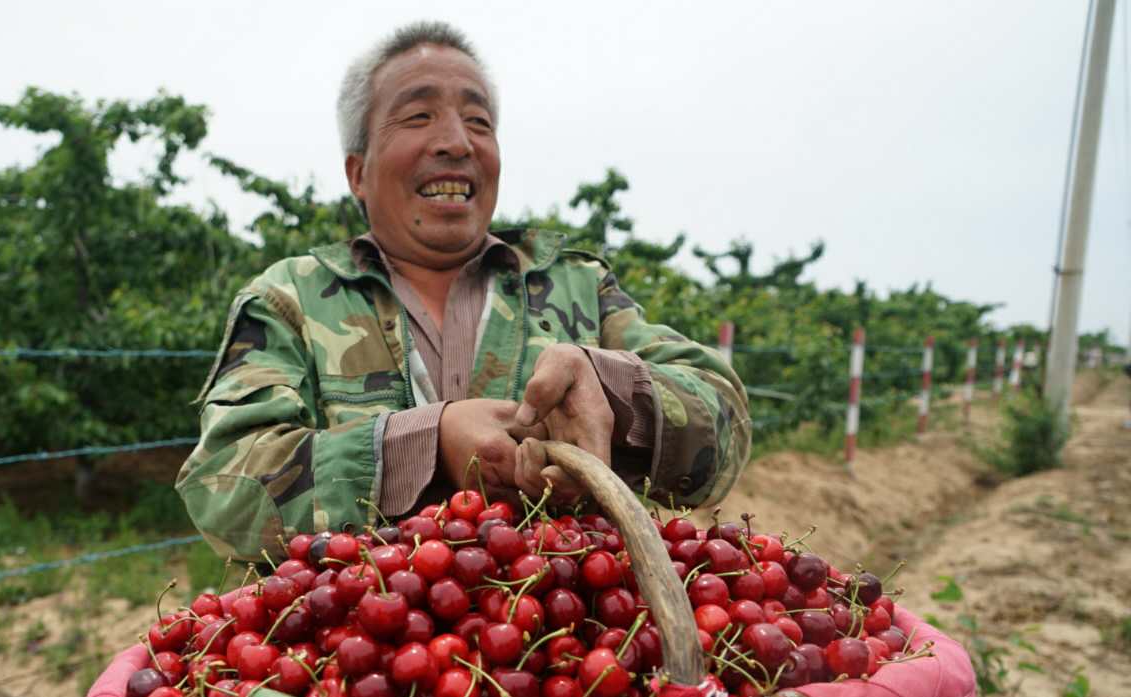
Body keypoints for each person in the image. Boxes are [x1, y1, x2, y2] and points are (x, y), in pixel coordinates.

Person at [176, 21, 750, 560]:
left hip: (572, 643)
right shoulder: (291, 300)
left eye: (479, 123)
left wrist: (615, 394)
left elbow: (725, 428)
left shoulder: (576, 286)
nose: (456, 142)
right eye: (419, 116)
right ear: (357, 171)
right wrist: (426, 442)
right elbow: (221, 487)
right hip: (354, 658)